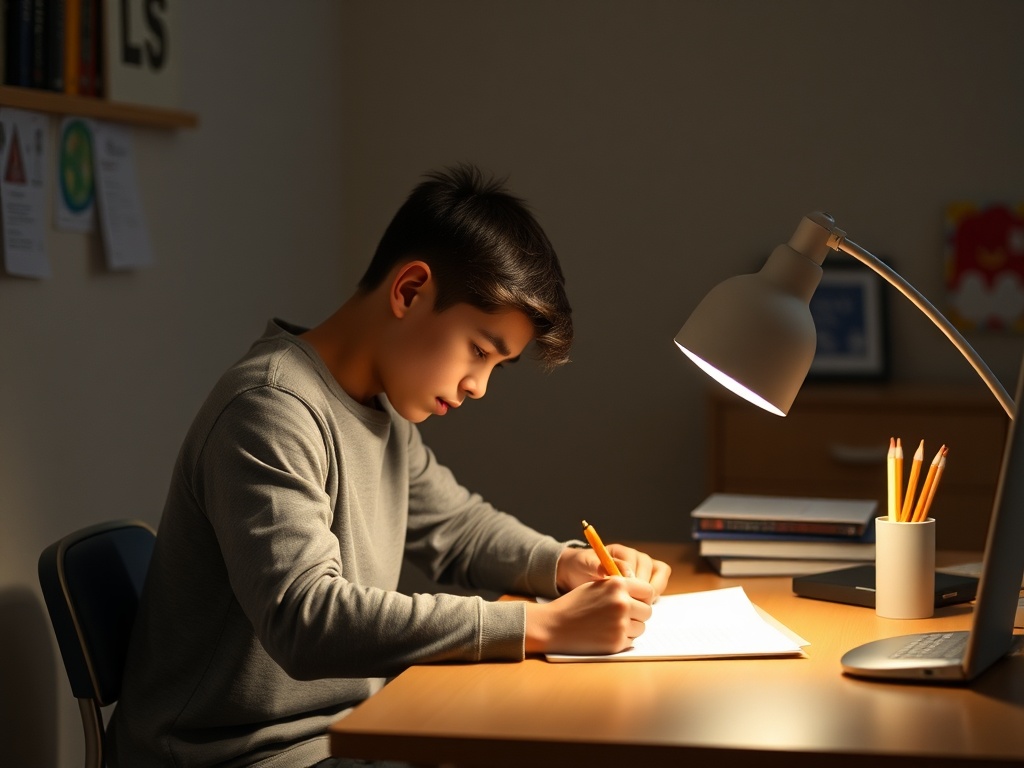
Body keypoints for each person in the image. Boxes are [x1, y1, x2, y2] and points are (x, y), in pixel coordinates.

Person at [108, 164, 672, 768]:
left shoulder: (383, 412)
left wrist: (565, 564)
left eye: (495, 366)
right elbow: (307, 618)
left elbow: (460, 530)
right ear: (409, 290)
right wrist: (541, 627)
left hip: (353, 735)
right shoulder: (268, 409)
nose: (479, 386)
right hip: (235, 757)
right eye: (479, 351)